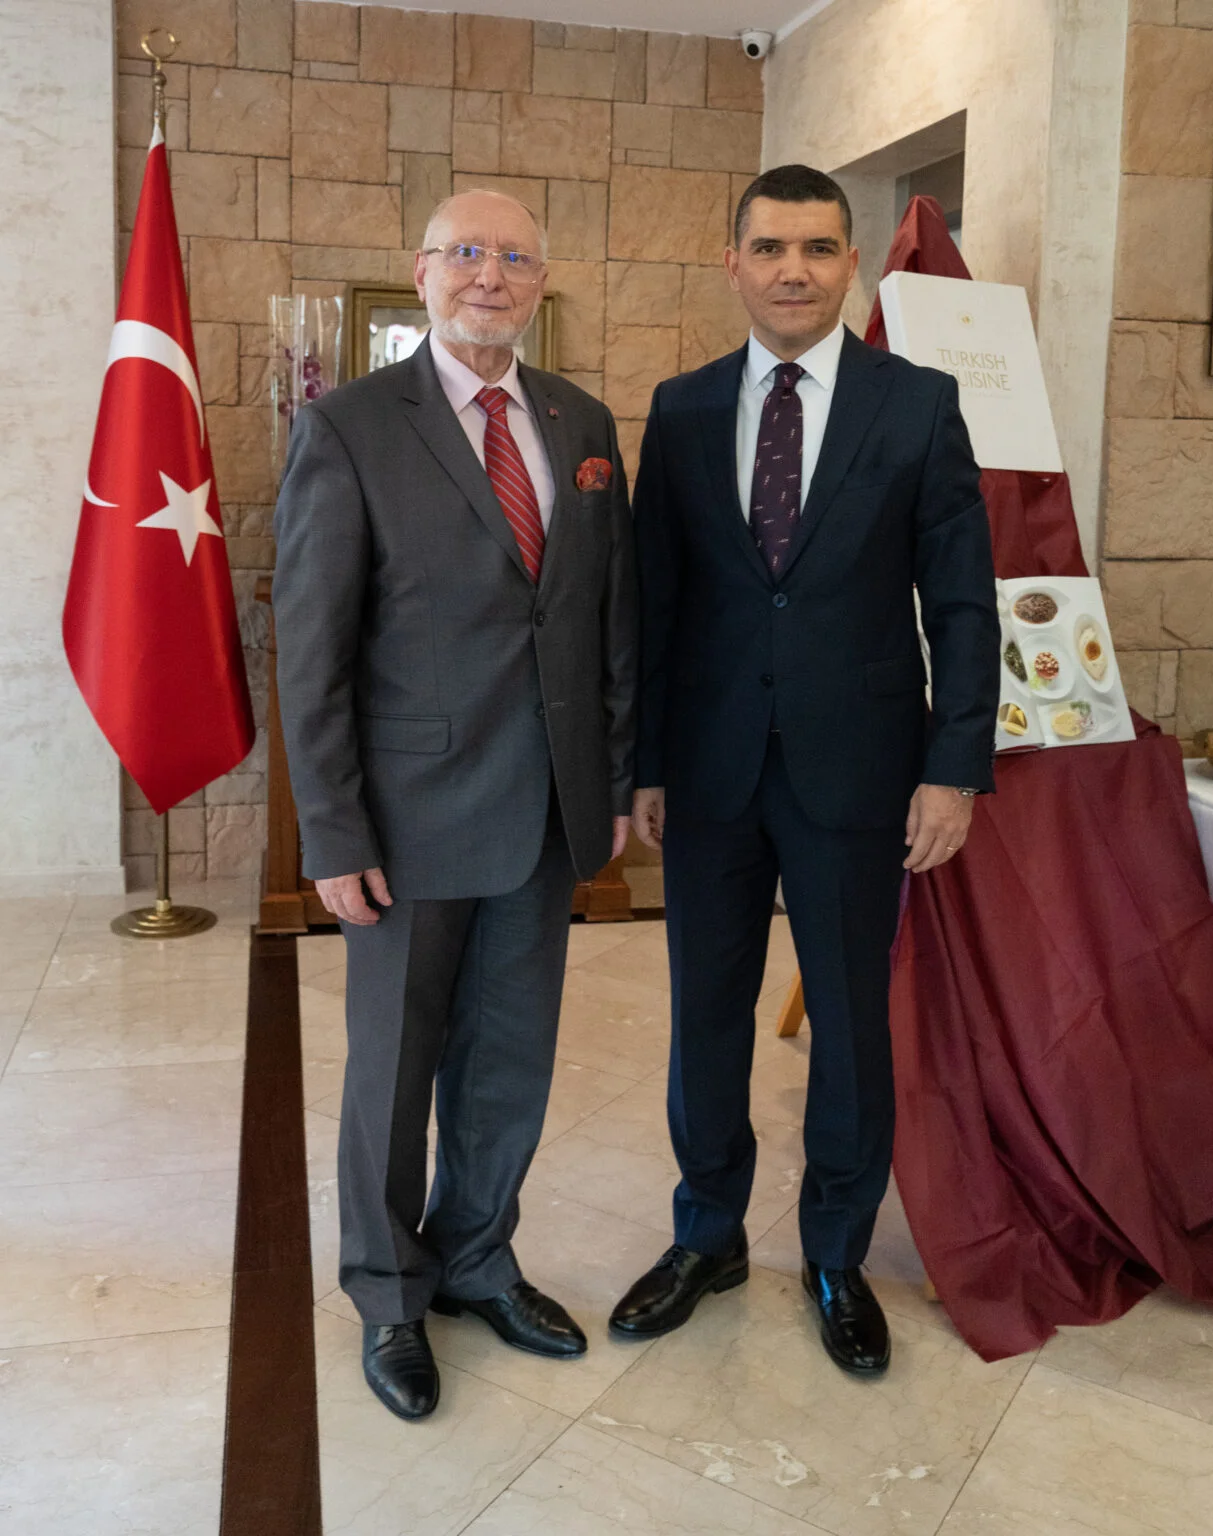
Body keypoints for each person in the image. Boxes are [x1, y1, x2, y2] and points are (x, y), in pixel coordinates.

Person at [610, 164, 999, 1377]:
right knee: (705, 1017)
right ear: (731, 262)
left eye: (818, 248)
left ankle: (836, 1250)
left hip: (860, 775)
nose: (793, 270)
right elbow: (655, 602)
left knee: (848, 1024)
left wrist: (954, 767)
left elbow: (963, 604)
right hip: (710, 773)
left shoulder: (916, 405)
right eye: (771, 248)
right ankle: (707, 1235)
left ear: (850, 264)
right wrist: (645, 762)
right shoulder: (679, 410)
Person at [273, 190, 636, 1421]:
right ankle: (389, 1292)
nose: (491, 275)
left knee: (508, 1061)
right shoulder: (349, 428)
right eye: (467, 253)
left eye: (515, 257)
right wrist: (333, 830)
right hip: (407, 822)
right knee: (394, 1071)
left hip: (546, 810)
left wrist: (614, 775)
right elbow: (312, 653)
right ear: (422, 272)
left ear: (541, 281)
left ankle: (478, 1257)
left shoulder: (581, 424)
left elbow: (608, 617)